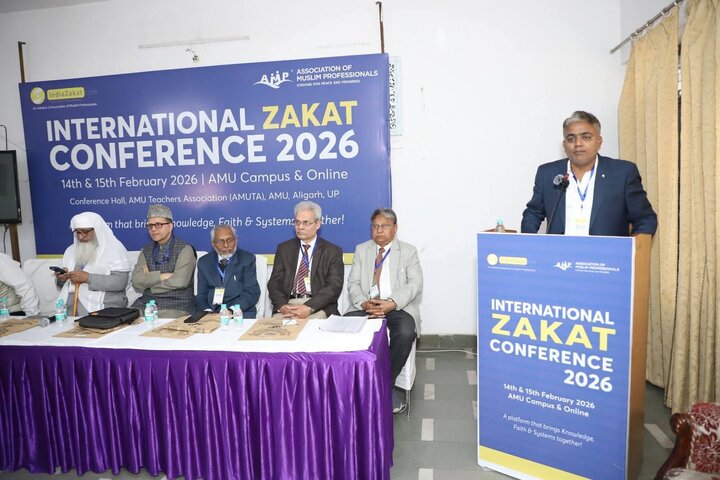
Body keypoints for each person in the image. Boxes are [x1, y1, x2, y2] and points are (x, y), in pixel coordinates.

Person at [521, 110, 658, 236]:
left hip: (606, 254)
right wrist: (528, 243)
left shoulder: (622, 173)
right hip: (559, 253)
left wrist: (632, 247)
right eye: (571, 139)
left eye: (586, 137)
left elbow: (645, 219)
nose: (578, 144)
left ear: (599, 141)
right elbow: (533, 213)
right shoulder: (547, 173)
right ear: (564, 145)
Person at [345, 208, 423, 414]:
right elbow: (353, 283)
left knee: (405, 332)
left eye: (384, 226)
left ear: (395, 228)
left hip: (397, 306)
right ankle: (353, 385)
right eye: (375, 226)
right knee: (345, 327)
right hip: (368, 305)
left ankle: (385, 383)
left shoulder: (408, 251)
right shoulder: (362, 250)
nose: (379, 231)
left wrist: (392, 302)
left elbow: (415, 284)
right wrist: (364, 303)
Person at [267, 201, 343, 319]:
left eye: (306, 223)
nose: (300, 227)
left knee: (312, 327)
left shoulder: (332, 251)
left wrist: (308, 307)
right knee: (275, 328)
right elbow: (274, 283)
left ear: (318, 224)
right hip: (288, 305)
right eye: (297, 222)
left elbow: (334, 287)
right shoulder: (284, 249)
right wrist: (282, 306)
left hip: (317, 307)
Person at [54, 212, 131, 316]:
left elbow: (120, 283)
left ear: (97, 230)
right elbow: (61, 286)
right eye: (77, 232)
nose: (81, 237)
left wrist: (88, 278)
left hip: (103, 310)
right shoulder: (70, 251)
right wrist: (62, 279)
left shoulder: (115, 249)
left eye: (85, 232)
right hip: (68, 311)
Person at [131, 204, 196, 317]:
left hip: (176, 305)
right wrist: (161, 276)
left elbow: (179, 281)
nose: (153, 229)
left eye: (158, 225)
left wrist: (148, 283)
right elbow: (136, 281)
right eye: (150, 226)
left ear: (170, 226)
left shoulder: (185, 249)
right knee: (126, 319)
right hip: (146, 303)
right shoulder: (145, 250)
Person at [195, 224, 260, 317]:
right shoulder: (204, 262)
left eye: (229, 240)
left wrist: (231, 310)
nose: (226, 245)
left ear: (236, 240)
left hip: (240, 312)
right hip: (212, 313)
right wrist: (207, 312)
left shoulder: (247, 259)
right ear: (213, 244)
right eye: (221, 241)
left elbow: (252, 292)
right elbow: (201, 295)